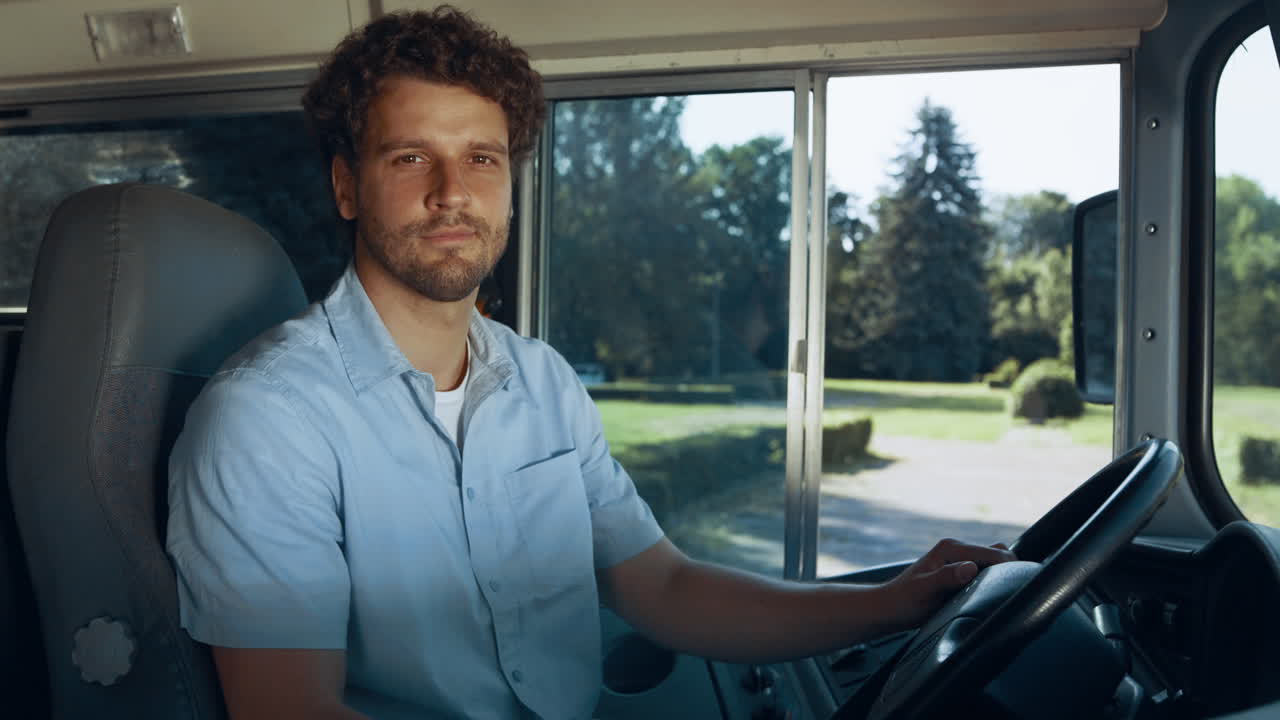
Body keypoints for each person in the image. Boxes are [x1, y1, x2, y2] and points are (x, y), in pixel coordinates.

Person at [165, 6, 1015, 719]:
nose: (452, 191)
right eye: (411, 156)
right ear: (347, 186)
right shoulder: (266, 417)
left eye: (482, 159)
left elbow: (663, 587)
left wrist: (891, 604)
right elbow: (291, 712)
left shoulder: (544, 381)